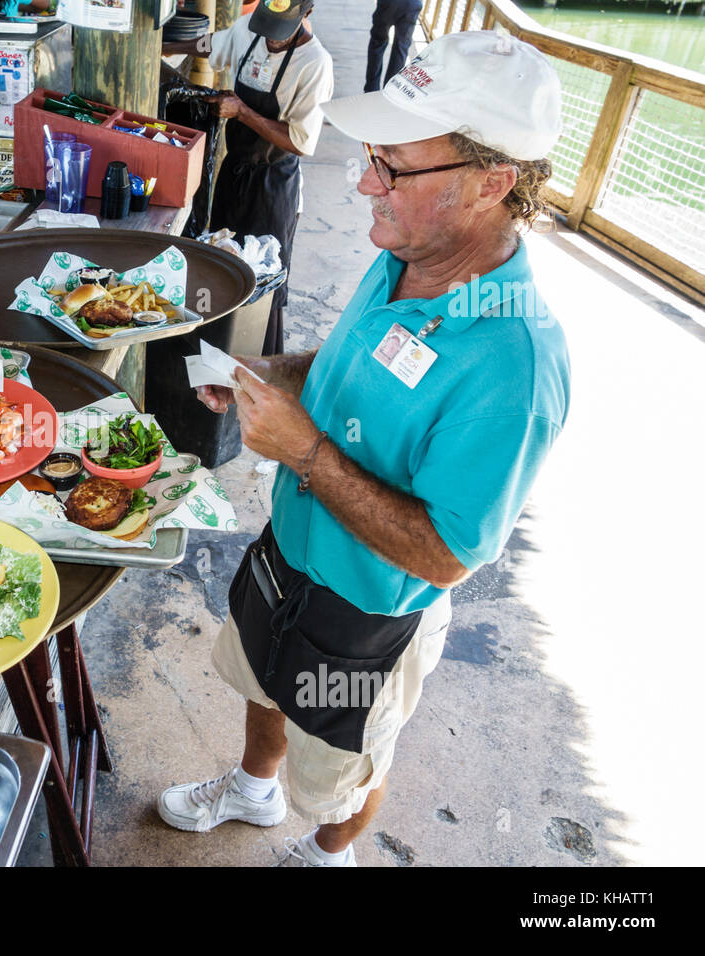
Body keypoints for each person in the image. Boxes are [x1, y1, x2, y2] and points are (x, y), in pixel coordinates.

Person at [157, 31, 569, 866]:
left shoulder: (514, 360)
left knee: (343, 758)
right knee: (263, 678)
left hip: (365, 615)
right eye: (372, 156)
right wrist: (266, 372)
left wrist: (304, 452)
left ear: (493, 183)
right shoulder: (410, 256)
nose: (364, 183)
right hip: (291, 549)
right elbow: (348, 363)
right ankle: (250, 788)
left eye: (394, 167)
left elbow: (449, 554)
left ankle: (329, 849)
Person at [164, 0, 333, 356]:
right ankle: (213, 358)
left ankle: (260, 362)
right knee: (222, 261)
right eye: (266, 28)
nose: (271, 40)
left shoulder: (315, 64)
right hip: (234, 172)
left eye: (279, 33)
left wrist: (242, 111)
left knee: (262, 279)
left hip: (274, 184)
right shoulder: (248, 30)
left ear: (307, 14)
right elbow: (211, 45)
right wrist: (165, 46)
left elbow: (300, 142)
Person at [365, 0, 424, 92]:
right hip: (412, 4)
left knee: (377, 43)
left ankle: (371, 89)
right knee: (401, 48)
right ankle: (390, 91)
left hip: (389, 3)